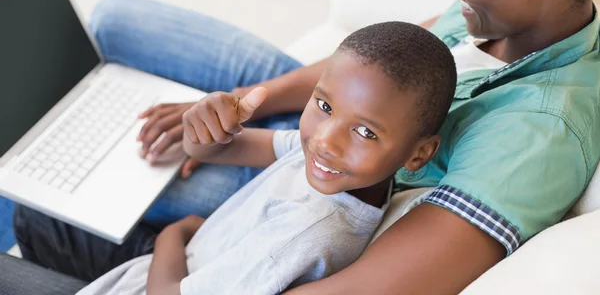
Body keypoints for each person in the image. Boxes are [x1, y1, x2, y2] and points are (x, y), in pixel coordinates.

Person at [10, 0, 600, 293]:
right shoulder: (496, 12)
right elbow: (382, 55)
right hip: (345, 123)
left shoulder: (541, 134)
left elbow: (372, 284)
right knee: (117, 19)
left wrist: (181, 235)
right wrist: (249, 101)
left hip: (336, 180)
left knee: (61, 178)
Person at [76, 22, 456, 295]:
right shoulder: (326, 163)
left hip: (158, 275)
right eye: (324, 105)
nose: (325, 140)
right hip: (187, 263)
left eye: (365, 132)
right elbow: (225, 149)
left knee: (40, 222)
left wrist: (173, 233)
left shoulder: (307, 234)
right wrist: (204, 127)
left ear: (419, 153)